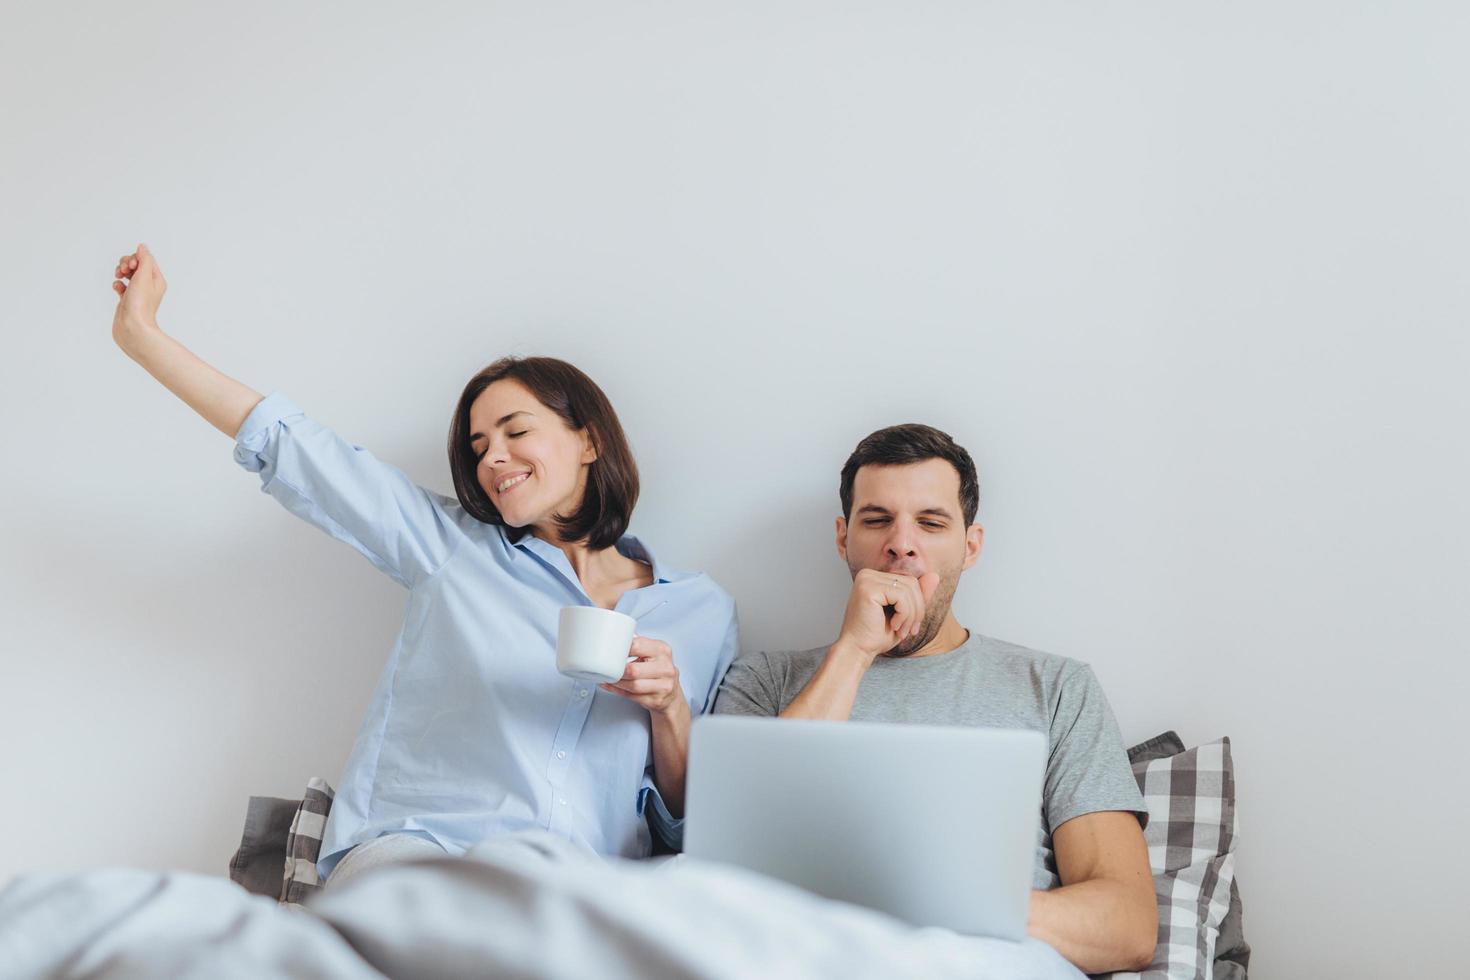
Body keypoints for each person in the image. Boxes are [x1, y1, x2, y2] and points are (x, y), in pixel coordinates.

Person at [109, 243, 737, 886]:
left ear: (589, 440)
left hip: (582, 883)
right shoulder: (450, 545)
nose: (493, 457)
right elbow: (296, 448)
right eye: (479, 444)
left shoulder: (699, 610)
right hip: (424, 853)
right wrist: (145, 338)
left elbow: (682, 823)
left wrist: (669, 710)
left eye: (515, 432)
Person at [711, 423, 1157, 975]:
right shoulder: (762, 680)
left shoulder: (1058, 687)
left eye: (931, 522)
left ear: (970, 546)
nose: (902, 543)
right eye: (876, 520)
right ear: (842, 539)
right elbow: (732, 869)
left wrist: (938, 907)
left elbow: (1127, 924)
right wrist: (854, 650)